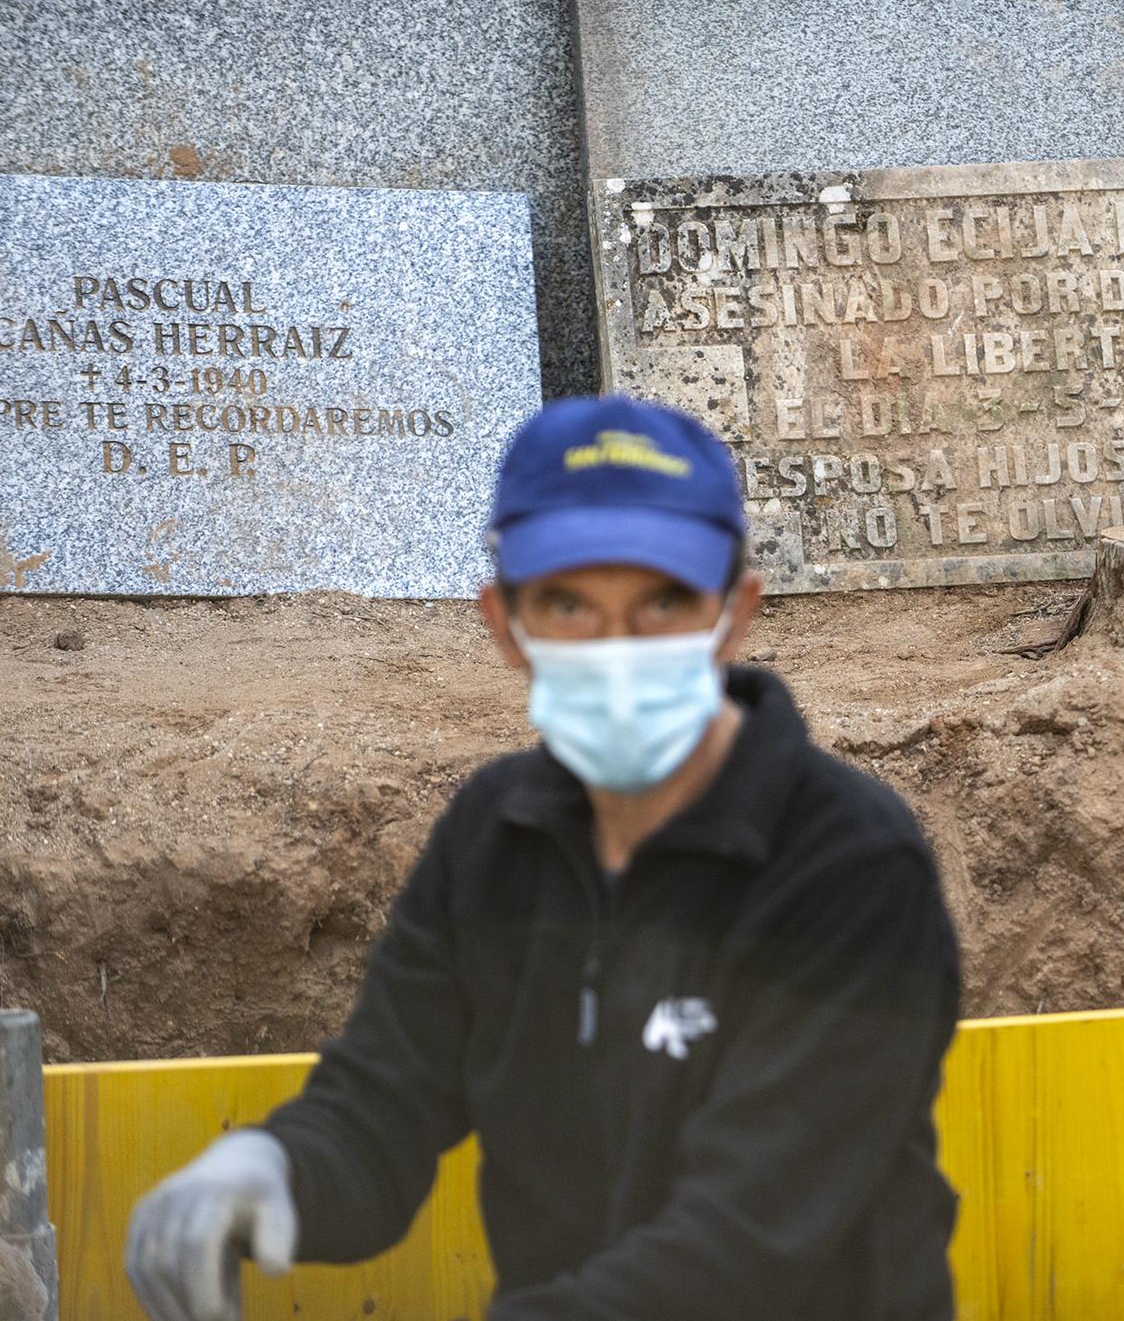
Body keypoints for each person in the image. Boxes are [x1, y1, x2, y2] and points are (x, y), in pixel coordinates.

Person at [124, 395, 962, 1320]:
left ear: (734, 615)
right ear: (503, 622)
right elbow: (384, 1105)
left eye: (661, 602)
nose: (617, 650)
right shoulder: (494, 835)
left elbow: (743, 1252)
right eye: (568, 604)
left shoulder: (849, 864)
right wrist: (276, 1171)